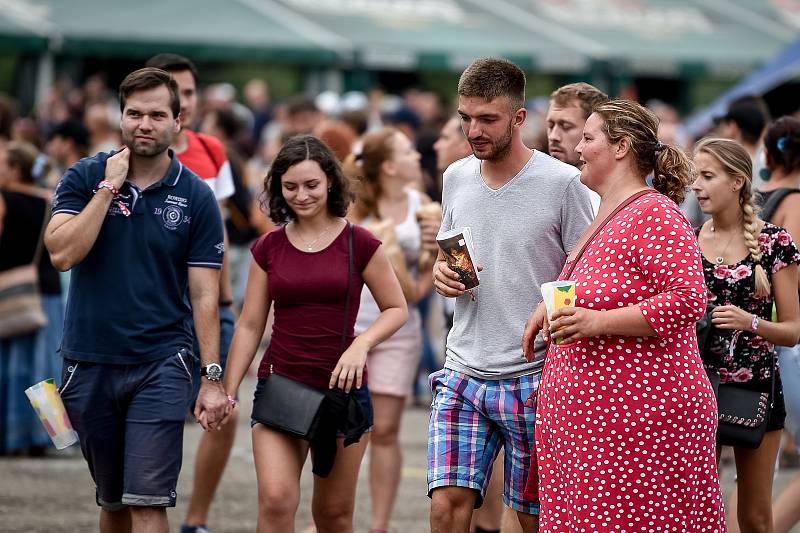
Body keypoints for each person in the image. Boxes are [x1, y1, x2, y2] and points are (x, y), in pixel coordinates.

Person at [523, 99, 726, 531]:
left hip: (637, 426)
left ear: (621, 148)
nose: (577, 147)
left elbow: (688, 298)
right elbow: (606, 289)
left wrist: (597, 323)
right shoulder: (607, 212)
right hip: (596, 428)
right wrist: (549, 306)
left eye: (589, 137)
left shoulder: (654, 212)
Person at [44, 67, 230, 533]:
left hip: (163, 363)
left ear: (177, 121)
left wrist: (211, 377)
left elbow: (205, 294)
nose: (144, 124)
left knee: (148, 501)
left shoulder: (197, 196)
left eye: (156, 114)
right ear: (120, 118)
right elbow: (63, 253)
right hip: (89, 362)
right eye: (134, 113)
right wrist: (109, 188)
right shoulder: (85, 175)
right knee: (112, 504)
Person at [430, 58, 594, 533]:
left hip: (536, 373)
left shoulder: (565, 184)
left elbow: (585, 273)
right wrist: (444, 273)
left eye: (487, 119)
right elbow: (448, 255)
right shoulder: (455, 176)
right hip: (463, 366)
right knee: (446, 505)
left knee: (532, 516)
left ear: (520, 118)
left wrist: (557, 313)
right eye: (465, 117)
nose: (473, 129)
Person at [222, 134, 407, 533]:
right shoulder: (268, 247)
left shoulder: (361, 242)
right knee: (275, 501)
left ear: (330, 183)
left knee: (333, 515)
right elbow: (250, 324)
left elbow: (397, 308)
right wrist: (228, 389)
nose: (301, 195)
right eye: (290, 187)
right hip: (281, 387)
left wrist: (362, 344)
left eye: (311, 185)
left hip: (343, 394)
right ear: (277, 189)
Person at [145, 53, 238, 533]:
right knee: (154, 421)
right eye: (172, 92)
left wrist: (225, 303)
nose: (183, 101)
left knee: (225, 411)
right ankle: (145, 503)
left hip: (209, 304)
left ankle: (196, 519)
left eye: (189, 92)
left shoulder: (211, 150)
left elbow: (217, 231)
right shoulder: (129, 156)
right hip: (157, 308)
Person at [344, 127, 438, 533]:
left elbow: (434, 271)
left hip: (400, 327)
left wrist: (432, 258)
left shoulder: (426, 208)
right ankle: (335, 519)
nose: (417, 157)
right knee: (344, 430)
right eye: (407, 152)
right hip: (349, 327)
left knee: (385, 431)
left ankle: (379, 525)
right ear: (388, 166)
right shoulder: (352, 208)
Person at [0, 141, 62, 456]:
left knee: (10, 368)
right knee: (44, 370)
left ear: (15, 169)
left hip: (10, 292)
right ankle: (51, 437)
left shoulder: (3, 201)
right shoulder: (49, 201)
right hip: (47, 290)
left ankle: (11, 439)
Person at [754, 117, 800, 533]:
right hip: (786, 343)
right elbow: (795, 282)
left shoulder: (752, 196)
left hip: (750, 342)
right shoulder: (796, 201)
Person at [546, 83, 607, 214]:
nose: (553, 136)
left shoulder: (610, 196)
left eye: (566, 126)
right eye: (550, 126)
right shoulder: (537, 185)